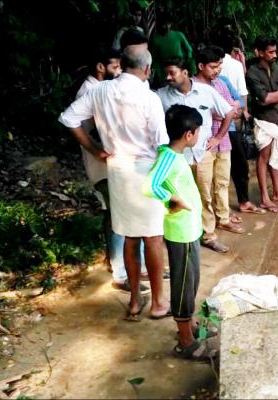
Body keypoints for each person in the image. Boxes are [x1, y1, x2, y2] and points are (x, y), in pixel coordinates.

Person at [59, 46, 171, 321]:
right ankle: (158, 302)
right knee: (153, 236)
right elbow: (162, 144)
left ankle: (135, 300)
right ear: (146, 69)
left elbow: (69, 119)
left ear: (121, 64)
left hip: (117, 171)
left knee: (130, 237)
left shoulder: (99, 91)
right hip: (147, 169)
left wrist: (95, 148)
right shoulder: (149, 97)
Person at [143, 104, 219, 361]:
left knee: (192, 281)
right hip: (180, 232)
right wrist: (174, 200)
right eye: (198, 131)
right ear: (189, 134)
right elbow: (149, 185)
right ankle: (185, 340)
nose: (198, 135)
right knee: (184, 285)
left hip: (189, 229)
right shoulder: (167, 158)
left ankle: (189, 326)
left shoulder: (173, 156)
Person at [75, 49, 150, 294]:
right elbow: (73, 123)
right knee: (123, 218)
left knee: (117, 215)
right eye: (116, 67)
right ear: (100, 67)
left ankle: (130, 266)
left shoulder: (104, 89)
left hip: (116, 166)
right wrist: (96, 150)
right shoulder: (91, 92)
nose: (120, 72)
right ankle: (122, 273)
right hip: (106, 168)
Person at [156, 57, 238, 253]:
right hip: (176, 157)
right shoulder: (160, 96)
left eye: (172, 73)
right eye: (166, 73)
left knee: (204, 195)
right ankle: (177, 235)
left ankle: (208, 235)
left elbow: (228, 112)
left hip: (202, 154)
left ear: (185, 72)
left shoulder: (206, 92)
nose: (168, 77)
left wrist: (218, 137)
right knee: (176, 196)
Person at [192, 45, 246, 234]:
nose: (218, 70)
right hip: (203, 144)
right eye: (214, 66)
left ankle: (223, 217)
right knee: (204, 187)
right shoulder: (192, 87)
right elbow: (209, 113)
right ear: (200, 65)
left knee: (222, 182)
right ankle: (207, 229)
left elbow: (236, 107)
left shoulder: (221, 83)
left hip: (222, 140)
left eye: (219, 66)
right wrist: (224, 111)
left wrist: (224, 119)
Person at [246, 38, 278, 213]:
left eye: (275, 51)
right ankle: (265, 198)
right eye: (270, 52)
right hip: (264, 121)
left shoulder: (277, 68)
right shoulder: (252, 73)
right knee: (264, 157)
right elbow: (263, 98)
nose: (274, 55)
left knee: (276, 155)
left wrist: (277, 95)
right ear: (259, 52)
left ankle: (277, 192)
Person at [150, 15, 194, 87]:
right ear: (160, 25)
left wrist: (187, 61)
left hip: (180, 63)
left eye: (168, 24)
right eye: (164, 24)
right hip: (165, 66)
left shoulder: (178, 35)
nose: (167, 26)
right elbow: (155, 58)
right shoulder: (156, 40)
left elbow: (189, 49)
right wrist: (158, 72)